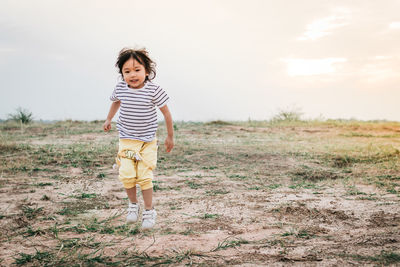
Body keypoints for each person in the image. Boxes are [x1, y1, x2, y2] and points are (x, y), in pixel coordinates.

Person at [103, 47, 174, 229]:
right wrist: (109, 118)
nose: (132, 75)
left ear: (147, 71)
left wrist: (169, 137)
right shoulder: (121, 88)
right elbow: (116, 102)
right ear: (122, 74)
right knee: (126, 175)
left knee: (144, 176)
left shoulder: (154, 90)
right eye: (127, 71)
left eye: (137, 70)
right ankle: (133, 205)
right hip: (126, 140)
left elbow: (166, 113)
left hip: (148, 142)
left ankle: (149, 211)